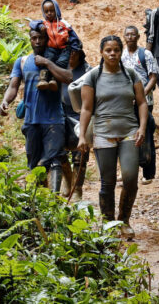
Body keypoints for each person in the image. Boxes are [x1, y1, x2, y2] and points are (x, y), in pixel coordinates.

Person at [77, 35, 149, 239]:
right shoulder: (92, 77)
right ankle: (108, 223)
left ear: (121, 52)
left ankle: (124, 220)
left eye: (116, 50)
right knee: (107, 182)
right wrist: (82, 136)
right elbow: (86, 109)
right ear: (101, 52)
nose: (112, 53)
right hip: (103, 134)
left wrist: (142, 128)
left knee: (130, 179)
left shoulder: (131, 74)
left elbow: (142, 103)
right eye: (108, 50)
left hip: (129, 132)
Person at [0, 21, 73, 193]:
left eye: (41, 38)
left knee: (53, 160)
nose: (38, 41)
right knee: (34, 163)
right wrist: (5, 101)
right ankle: (41, 199)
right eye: (34, 38)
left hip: (54, 119)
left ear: (47, 39)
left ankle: (54, 200)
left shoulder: (55, 59)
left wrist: (48, 64)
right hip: (32, 120)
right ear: (30, 40)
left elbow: (68, 77)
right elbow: (13, 86)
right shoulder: (22, 62)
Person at [122, 25, 159, 185]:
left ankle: (148, 173)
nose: (130, 37)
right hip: (126, 102)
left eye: (133, 34)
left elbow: (153, 77)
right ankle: (126, 170)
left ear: (138, 37)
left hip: (145, 101)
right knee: (126, 137)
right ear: (124, 37)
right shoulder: (121, 55)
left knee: (146, 135)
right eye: (127, 34)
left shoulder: (145, 54)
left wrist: (141, 94)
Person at [62, 45, 91, 201]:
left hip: (81, 116)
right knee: (59, 153)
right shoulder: (59, 67)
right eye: (69, 51)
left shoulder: (87, 70)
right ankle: (67, 179)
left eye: (75, 52)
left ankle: (77, 188)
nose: (72, 55)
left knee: (80, 155)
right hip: (61, 115)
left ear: (81, 53)